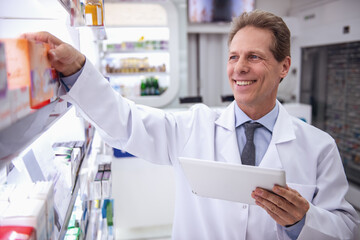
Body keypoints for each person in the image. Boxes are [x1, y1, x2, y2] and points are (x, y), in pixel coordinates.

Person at [22, 9, 359, 240]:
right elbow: (126, 121)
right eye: (233, 56)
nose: (239, 67)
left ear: (284, 66)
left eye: (254, 57)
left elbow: (347, 228)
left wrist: (303, 220)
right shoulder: (193, 126)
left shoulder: (318, 146)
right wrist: (78, 68)